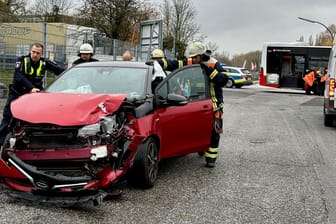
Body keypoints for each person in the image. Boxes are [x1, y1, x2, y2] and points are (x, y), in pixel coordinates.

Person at [152, 41, 228, 168]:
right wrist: (158, 63)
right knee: (196, 128)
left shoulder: (214, 64)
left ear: (200, 56)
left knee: (214, 132)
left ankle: (211, 158)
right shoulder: (191, 62)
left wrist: (210, 71)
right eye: (191, 57)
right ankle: (200, 146)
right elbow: (174, 64)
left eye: (194, 57)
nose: (191, 60)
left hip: (214, 104)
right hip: (196, 102)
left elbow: (224, 80)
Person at [0, 42, 65, 145]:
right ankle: (2, 141)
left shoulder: (45, 62)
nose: (35, 55)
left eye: (38, 53)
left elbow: (60, 71)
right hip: (17, 92)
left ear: (42, 54)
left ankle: (41, 138)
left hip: (35, 94)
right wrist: (31, 88)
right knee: (8, 115)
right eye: (33, 52)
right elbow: (18, 76)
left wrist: (72, 73)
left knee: (43, 113)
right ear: (30, 51)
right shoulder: (21, 60)